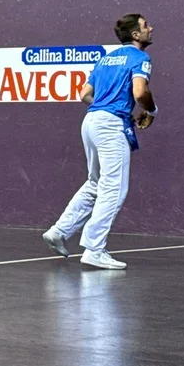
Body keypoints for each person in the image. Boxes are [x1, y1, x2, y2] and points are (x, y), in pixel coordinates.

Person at [43, 14, 157, 269]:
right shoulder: (140, 58)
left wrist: (108, 108)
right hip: (110, 126)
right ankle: (94, 249)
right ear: (135, 35)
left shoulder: (105, 59)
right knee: (114, 188)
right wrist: (151, 111)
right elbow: (140, 92)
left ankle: (59, 231)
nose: (151, 28)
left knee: (96, 183)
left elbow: (84, 94)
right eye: (145, 26)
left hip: (91, 121)